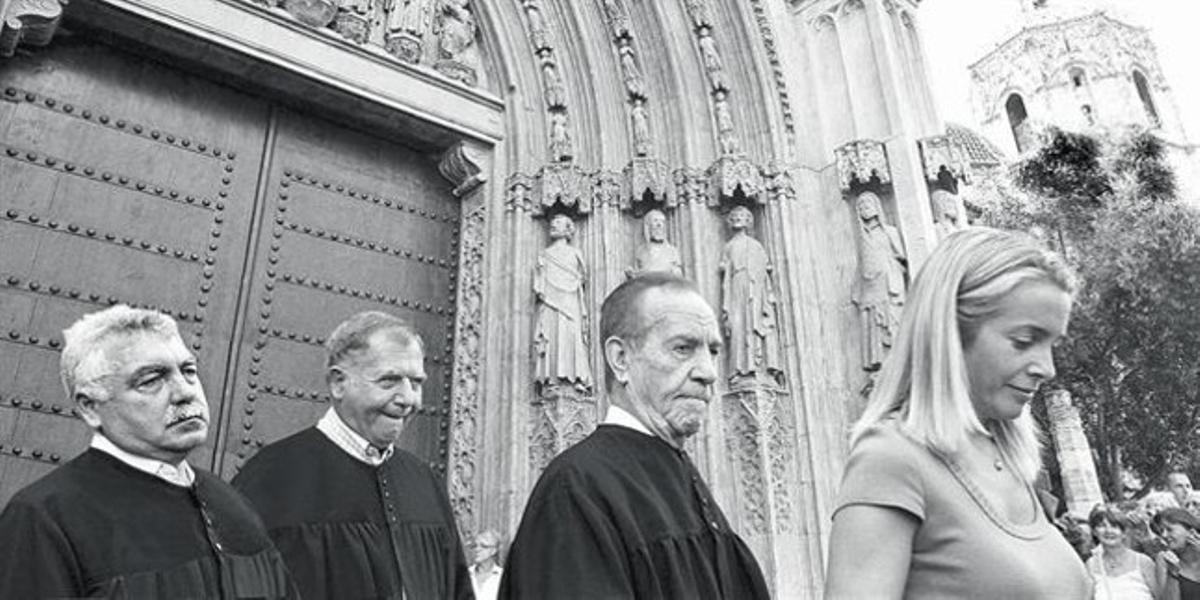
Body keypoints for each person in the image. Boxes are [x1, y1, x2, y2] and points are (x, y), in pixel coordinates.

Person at [824, 227, 1092, 599]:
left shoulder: (1011, 459)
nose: (1047, 368)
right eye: (1024, 342)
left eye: (1052, 344)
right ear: (950, 333)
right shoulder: (891, 458)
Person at [499, 273, 770, 599]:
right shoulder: (576, 489)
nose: (709, 372)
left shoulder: (682, 477)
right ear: (621, 359)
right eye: (683, 348)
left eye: (713, 351)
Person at [0, 306, 296, 598]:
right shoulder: (45, 517)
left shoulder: (229, 503)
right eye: (152, 380)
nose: (185, 392)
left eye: (189, 371)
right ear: (90, 407)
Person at [233, 311, 472, 599]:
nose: (408, 399)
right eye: (389, 381)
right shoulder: (271, 478)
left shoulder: (425, 482)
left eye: (416, 383)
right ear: (338, 383)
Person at [1086, 505, 1161, 600]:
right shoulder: (1091, 565)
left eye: (1114, 526)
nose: (1108, 531)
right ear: (1094, 532)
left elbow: (1161, 597)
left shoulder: (1143, 562)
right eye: (1102, 526)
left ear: (1124, 532)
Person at [1155, 508, 1200, 600]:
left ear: (1191, 533)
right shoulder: (1164, 558)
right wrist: (1172, 574)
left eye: (1169, 530)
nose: (1164, 535)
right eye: (1161, 531)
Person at [471, 529, 503, 600]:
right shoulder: (465, 575)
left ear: (494, 550)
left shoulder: (502, 577)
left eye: (483, 546)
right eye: (475, 546)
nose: (477, 549)